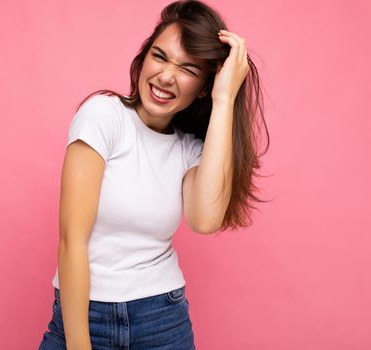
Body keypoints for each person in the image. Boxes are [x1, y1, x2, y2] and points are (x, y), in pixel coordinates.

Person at [38, 0, 269, 349]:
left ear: (205, 85)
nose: (165, 76)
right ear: (144, 58)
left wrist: (224, 100)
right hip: (82, 316)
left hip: (162, 320)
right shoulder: (103, 116)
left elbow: (204, 220)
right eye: (159, 57)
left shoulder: (191, 148)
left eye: (189, 69)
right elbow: (73, 241)